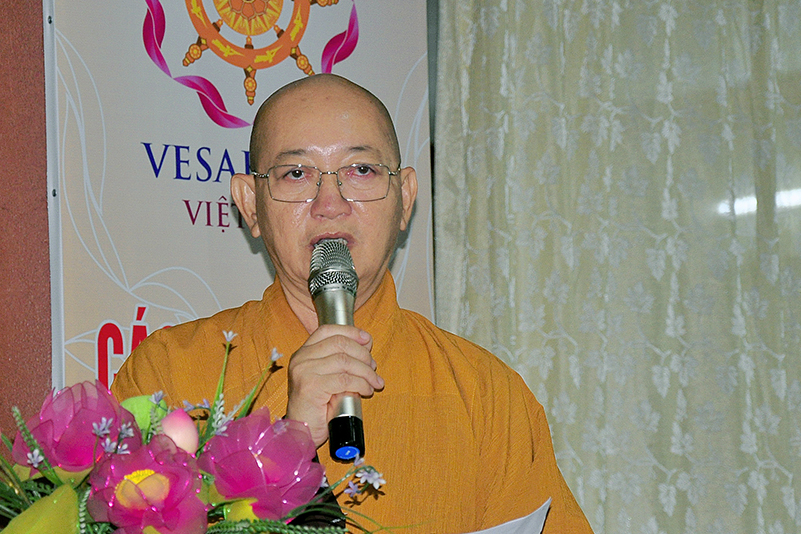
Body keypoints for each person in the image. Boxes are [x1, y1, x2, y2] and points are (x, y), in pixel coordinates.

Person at [112, 74, 593, 533]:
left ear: (405, 197)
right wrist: (290, 439)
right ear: (251, 203)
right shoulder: (169, 374)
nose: (330, 203)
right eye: (296, 173)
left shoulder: (485, 395)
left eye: (361, 170)